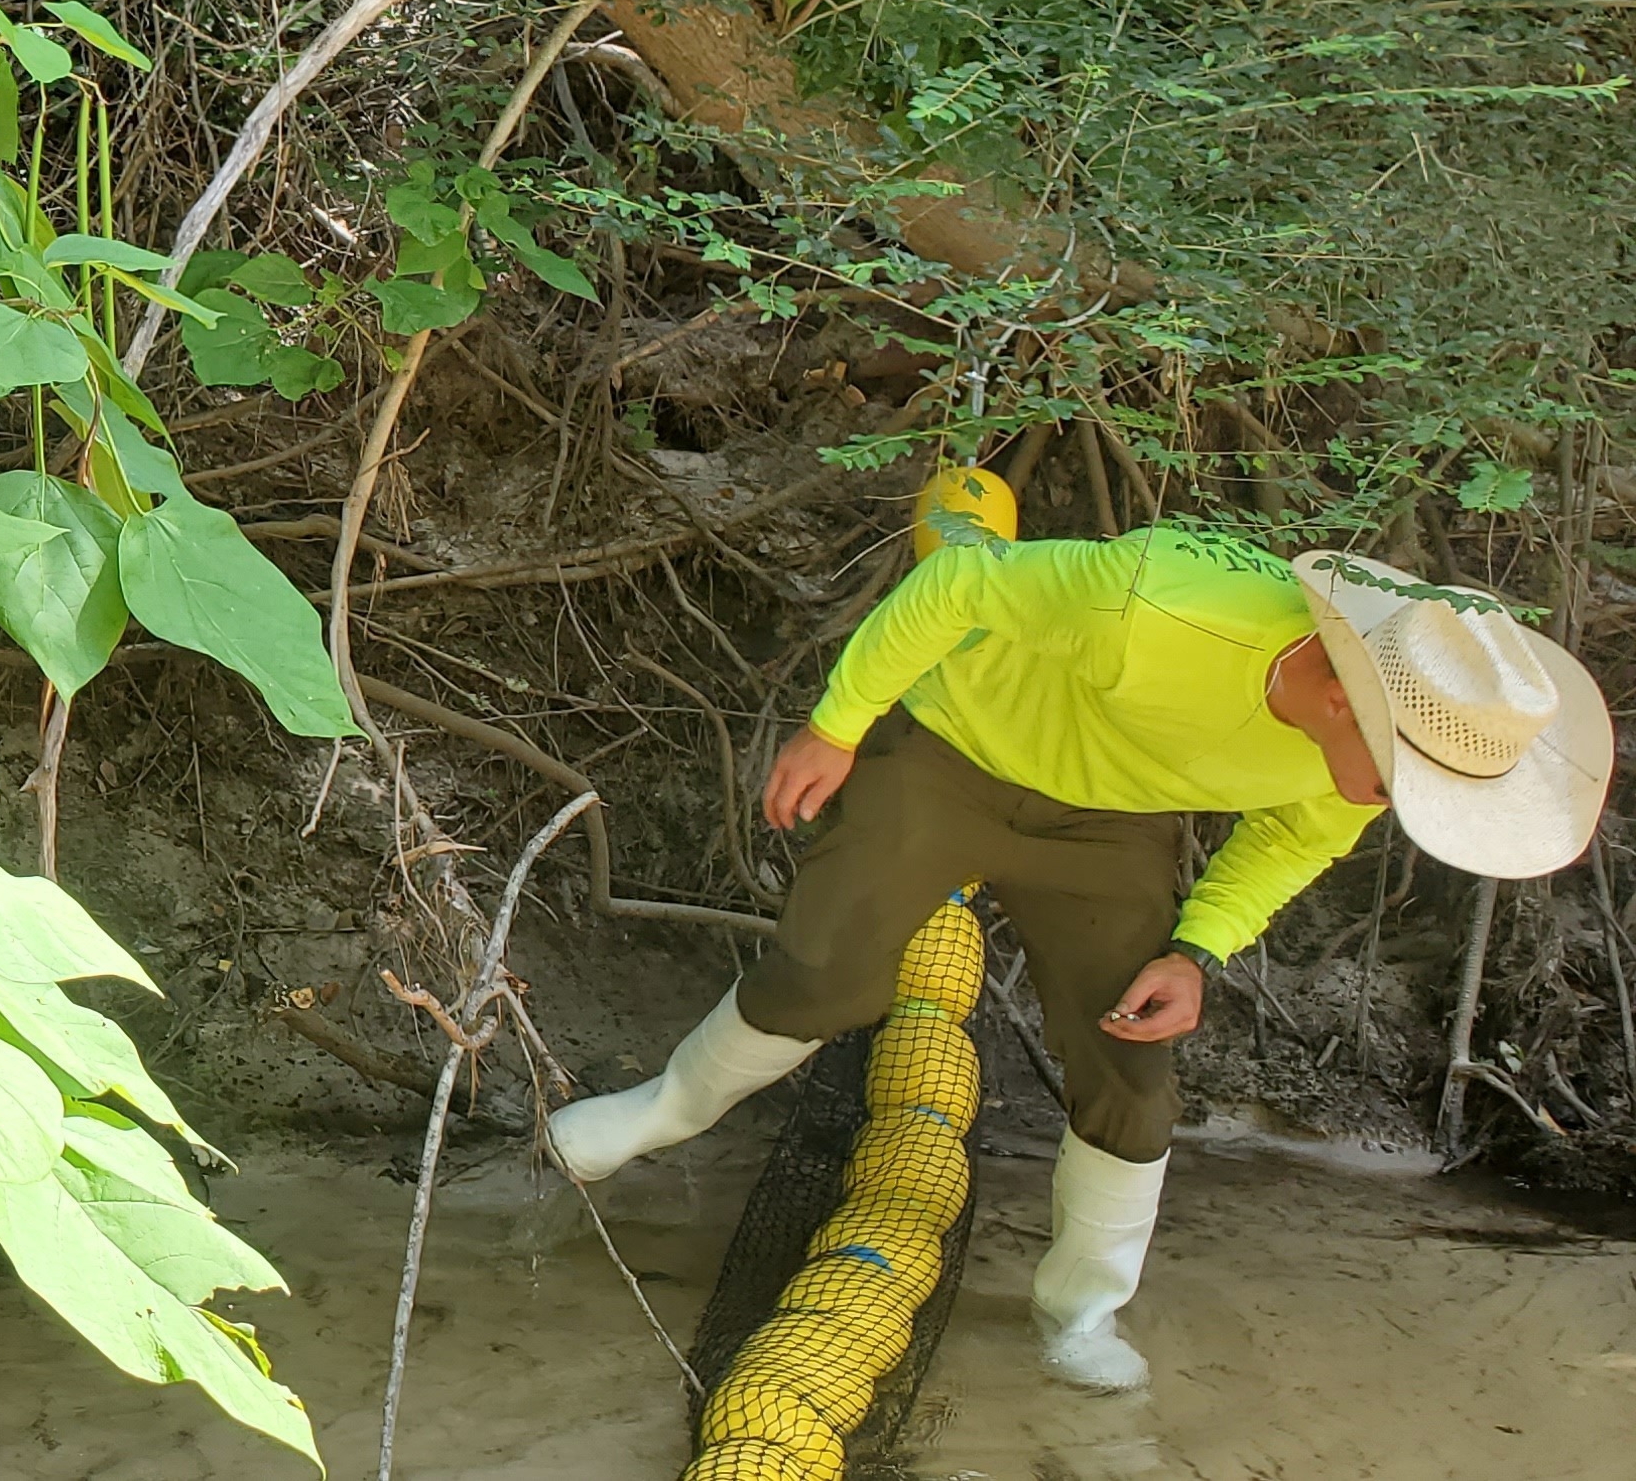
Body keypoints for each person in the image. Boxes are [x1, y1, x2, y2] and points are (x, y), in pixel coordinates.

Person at [546, 498, 1608, 1393]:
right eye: (1402, 783)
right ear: (1342, 693)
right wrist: (839, 723)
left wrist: (1198, 952)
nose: (1399, 806)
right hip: (958, 747)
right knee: (827, 974)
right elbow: (961, 587)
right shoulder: (1153, 606)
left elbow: (1289, 841)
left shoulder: (1372, 761)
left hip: (1115, 823)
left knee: (1132, 1064)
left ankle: (1081, 1315)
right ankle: (667, 1109)